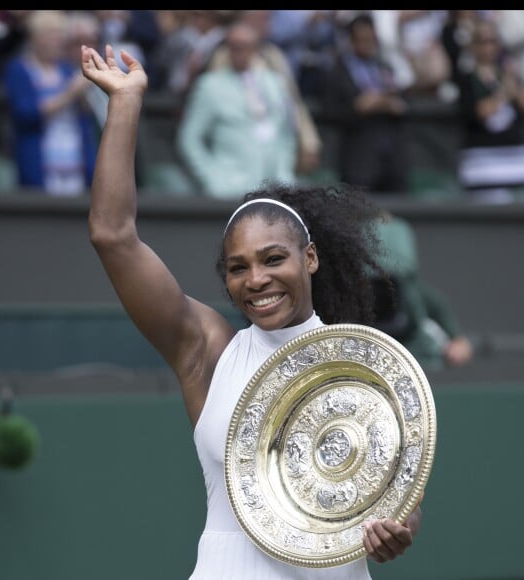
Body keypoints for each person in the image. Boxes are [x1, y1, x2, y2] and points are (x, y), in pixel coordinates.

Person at [80, 42, 423, 579]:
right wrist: (124, 102)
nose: (256, 279)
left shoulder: (364, 366)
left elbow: (398, 498)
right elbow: (113, 236)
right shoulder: (209, 350)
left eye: (272, 259)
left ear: (309, 258)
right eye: (238, 267)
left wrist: (395, 532)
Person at [176, 20, 299, 199]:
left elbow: (287, 133)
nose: (240, 52)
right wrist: (213, 179)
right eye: (234, 46)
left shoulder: (275, 83)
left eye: (246, 46)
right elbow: (189, 139)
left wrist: (285, 173)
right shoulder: (211, 86)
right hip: (230, 190)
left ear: (257, 48)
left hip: (276, 189)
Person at [1, 10, 98, 196]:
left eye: (61, 36)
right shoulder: (19, 70)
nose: (58, 41)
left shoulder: (68, 71)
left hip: (75, 162)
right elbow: (26, 114)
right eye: (52, 36)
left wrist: (86, 94)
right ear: (35, 38)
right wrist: (70, 93)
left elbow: (85, 115)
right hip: (40, 163)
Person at [370, 212, 474, 368]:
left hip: (415, 359)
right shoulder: (343, 300)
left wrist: (458, 346)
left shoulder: (419, 296)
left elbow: (460, 345)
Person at [321, 13, 409, 193]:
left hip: (390, 156)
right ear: (351, 41)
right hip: (358, 158)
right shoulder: (338, 72)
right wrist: (358, 107)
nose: (368, 44)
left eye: (371, 39)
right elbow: (330, 112)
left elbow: (403, 101)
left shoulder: (385, 67)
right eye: (362, 40)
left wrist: (386, 103)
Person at [455, 18, 524, 201]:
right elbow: (481, 112)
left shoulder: (507, 76)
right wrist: (503, 94)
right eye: (483, 41)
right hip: (484, 164)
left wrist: (515, 84)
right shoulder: (467, 78)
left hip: (515, 160)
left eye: (493, 41)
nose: (489, 47)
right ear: (473, 46)